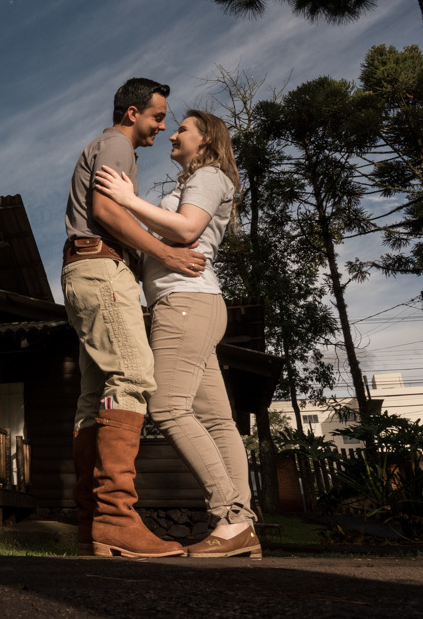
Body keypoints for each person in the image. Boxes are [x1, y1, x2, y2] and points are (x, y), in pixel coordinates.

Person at [94, 109, 262, 559]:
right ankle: (240, 524)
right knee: (218, 421)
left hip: (185, 304)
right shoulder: (197, 180)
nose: (173, 133)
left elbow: (187, 229)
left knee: (167, 406)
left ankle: (228, 514)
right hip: (194, 304)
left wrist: (127, 200)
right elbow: (174, 233)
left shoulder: (209, 175)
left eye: (183, 128)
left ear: (206, 140)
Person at [63, 78, 207, 558]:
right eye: (157, 116)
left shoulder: (108, 148)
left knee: (92, 399)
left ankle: (92, 527)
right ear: (132, 113)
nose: (162, 127)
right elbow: (106, 209)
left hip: (85, 269)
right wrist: (167, 251)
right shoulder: (117, 145)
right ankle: (116, 521)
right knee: (133, 376)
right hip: (101, 270)